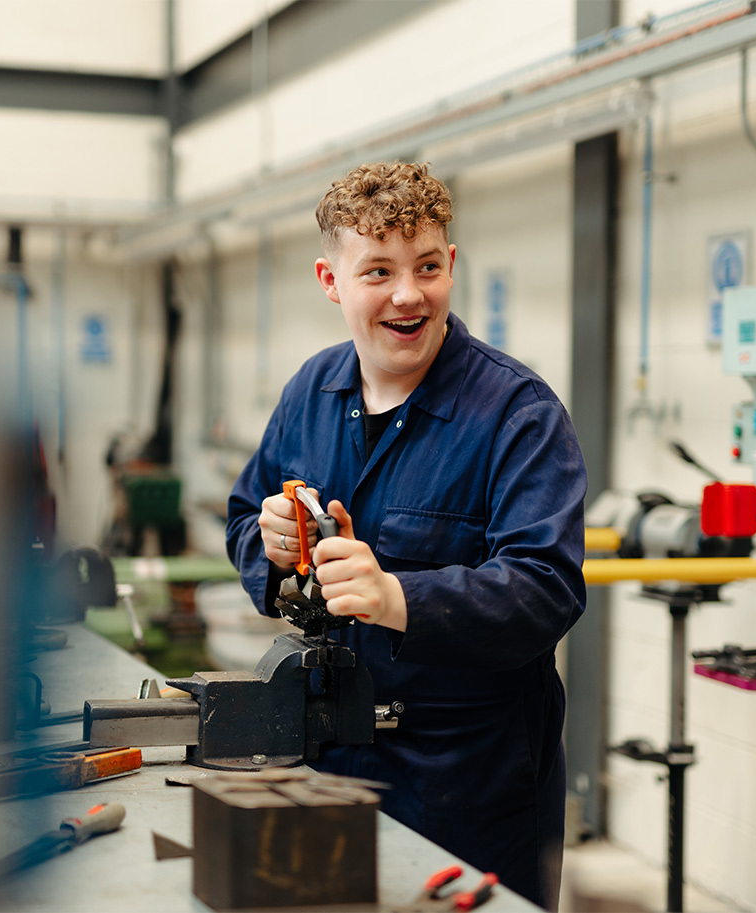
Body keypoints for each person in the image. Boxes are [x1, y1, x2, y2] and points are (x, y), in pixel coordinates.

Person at [225, 161, 586, 907]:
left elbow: (548, 587)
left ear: (451, 265)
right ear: (331, 280)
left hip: (471, 788)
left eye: (427, 266)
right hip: (326, 763)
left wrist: (397, 597)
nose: (407, 294)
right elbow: (240, 514)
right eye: (378, 271)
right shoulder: (310, 394)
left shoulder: (518, 414)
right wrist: (271, 547)